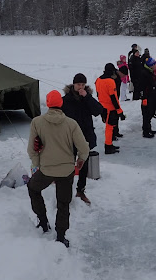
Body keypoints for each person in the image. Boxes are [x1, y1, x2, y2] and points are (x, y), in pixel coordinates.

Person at [27, 90, 89, 247]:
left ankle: (42, 221)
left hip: (46, 170)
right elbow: (84, 148)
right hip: (66, 170)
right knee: (63, 203)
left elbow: (31, 149)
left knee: (33, 188)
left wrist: (37, 165)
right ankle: (61, 236)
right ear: (60, 104)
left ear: (48, 103)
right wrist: (80, 161)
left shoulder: (37, 122)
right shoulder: (71, 124)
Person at [62, 73, 104, 205]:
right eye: (78, 84)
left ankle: (81, 190)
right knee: (68, 165)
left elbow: (98, 110)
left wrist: (87, 98)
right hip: (70, 137)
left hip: (85, 136)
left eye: (83, 84)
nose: (80, 87)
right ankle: (66, 192)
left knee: (84, 164)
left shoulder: (87, 98)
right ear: (73, 84)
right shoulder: (66, 100)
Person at [95, 63, 125, 154]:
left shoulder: (98, 80)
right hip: (110, 108)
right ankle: (108, 146)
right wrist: (119, 111)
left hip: (102, 107)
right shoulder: (110, 81)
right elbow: (114, 98)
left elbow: (98, 94)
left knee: (109, 126)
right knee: (109, 127)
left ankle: (109, 144)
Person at [138, 57, 156, 138]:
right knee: (146, 114)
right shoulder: (144, 73)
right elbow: (142, 87)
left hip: (151, 96)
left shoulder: (150, 72)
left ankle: (148, 129)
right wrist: (144, 98)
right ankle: (145, 131)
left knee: (150, 113)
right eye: (154, 64)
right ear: (151, 66)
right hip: (146, 97)